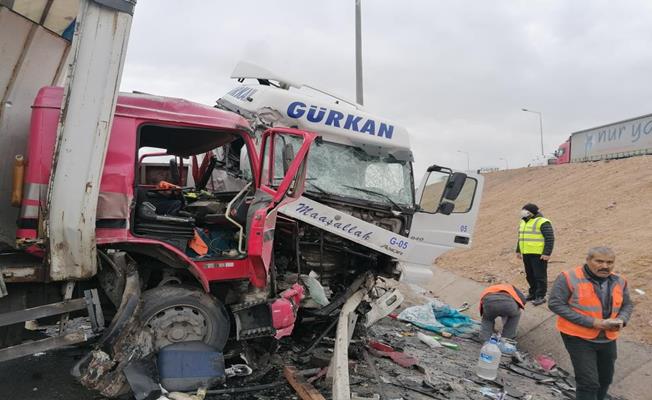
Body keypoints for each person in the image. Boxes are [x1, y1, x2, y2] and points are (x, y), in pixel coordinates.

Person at [548, 247, 634, 400]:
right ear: (588, 260)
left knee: (605, 379)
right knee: (588, 382)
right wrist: (593, 322)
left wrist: (622, 319)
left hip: (608, 337)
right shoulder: (569, 277)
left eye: (609, 262)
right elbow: (555, 304)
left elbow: (627, 305)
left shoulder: (620, 281)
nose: (605, 266)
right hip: (577, 337)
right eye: (599, 261)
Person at [516, 203, 554, 306]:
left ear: (531, 212)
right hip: (526, 253)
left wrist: (546, 253)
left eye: (525, 210)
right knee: (529, 275)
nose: (522, 212)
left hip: (539, 254)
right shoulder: (523, 222)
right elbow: (521, 237)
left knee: (540, 276)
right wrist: (518, 250)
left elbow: (549, 238)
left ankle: (540, 296)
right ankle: (532, 293)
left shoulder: (543, 222)